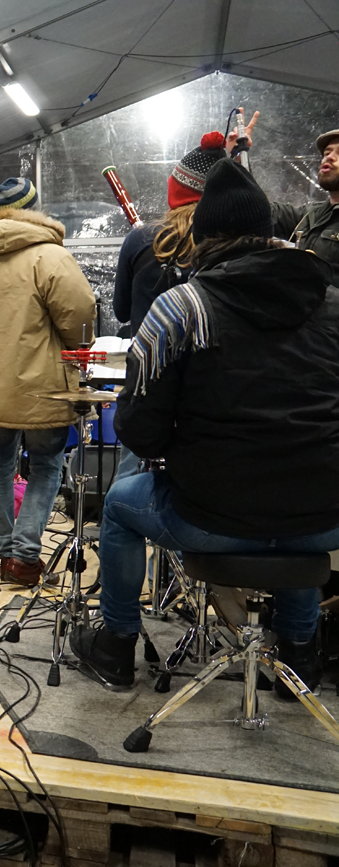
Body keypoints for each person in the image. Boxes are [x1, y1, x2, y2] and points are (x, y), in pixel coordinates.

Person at [72, 158, 339, 694]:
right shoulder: (331, 305)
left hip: (214, 516)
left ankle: (117, 648)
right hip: (325, 518)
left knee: (119, 506)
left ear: (202, 235)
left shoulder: (182, 308)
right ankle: (301, 657)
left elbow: (140, 433)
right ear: (268, 232)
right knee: (297, 499)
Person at [0, 177, 95, 587]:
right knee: (45, 465)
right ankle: (25, 557)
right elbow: (80, 318)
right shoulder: (50, 256)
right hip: (42, 386)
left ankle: (5, 552)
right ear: (35, 210)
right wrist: (73, 347)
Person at [113, 131, 226, 481]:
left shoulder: (141, 239)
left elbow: (121, 312)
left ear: (175, 190)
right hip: (208, 376)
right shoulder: (225, 243)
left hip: (148, 374)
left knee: (130, 467)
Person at [228, 111, 339, 269]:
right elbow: (254, 211)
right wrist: (239, 157)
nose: (329, 157)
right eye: (327, 152)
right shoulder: (310, 216)